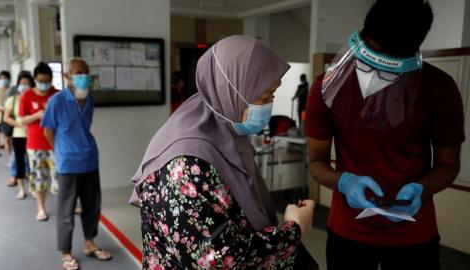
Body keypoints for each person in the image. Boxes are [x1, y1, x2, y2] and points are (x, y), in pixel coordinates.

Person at [129, 35, 315, 269]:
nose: (270, 104)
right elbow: (214, 259)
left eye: (273, 94)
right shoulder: (185, 163)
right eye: (265, 95)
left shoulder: (226, 135)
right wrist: (294, 229)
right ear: (232, 89)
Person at [304, 1, 464, 270]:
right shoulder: (327, 88)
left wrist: (423, 188)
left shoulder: (440, 88)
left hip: (414, 234)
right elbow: (316, 163)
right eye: (369, 54)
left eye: (389, 66)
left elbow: (448, 165)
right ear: (363, 38)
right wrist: (344, 182)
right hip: (348, 230)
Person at [42, 58, 112, 270]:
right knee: (66, 210)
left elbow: (85, 127)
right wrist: (62, 151)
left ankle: (89, 243)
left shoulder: (89, 99)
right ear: (67, 77)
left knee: (92, 205)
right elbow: (48, 131)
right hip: (68, 164)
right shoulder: (57, 101)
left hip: (90, 160)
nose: (83, 76)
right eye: (79, 72)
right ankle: (66, 252)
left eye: (86, 72)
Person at [19, 62, 59, 221]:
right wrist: (37, 115)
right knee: (38, 178)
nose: (44, 84)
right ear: (35, 79)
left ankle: (65, 207)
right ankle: (41, 209)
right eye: (41, 80)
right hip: (35, 144)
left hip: (56, 143)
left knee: (60, 177)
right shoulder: (27, 96)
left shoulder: (56, 94)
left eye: (47, 80)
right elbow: (22, 120)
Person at [3, 71, 34, 199]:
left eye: (27, 84)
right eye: (22, 84)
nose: (24, 86)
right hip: (18, 135)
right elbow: (6, 118)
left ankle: (33, 188)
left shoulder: (34, 98)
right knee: (20, 162)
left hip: (33, 135)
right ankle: (21, 189)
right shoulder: (13, 99)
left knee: (33, 163)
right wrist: (21, 126)